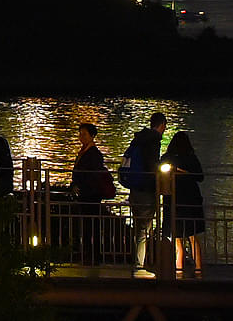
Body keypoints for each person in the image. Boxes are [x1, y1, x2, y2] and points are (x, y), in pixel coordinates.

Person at [118, 111, 168, 272]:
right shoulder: (154, 140)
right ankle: (139, 265)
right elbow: (151, 165)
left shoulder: (139, 138)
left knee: (139, 227)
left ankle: (139, 262)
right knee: (144, 229)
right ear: (162, 126)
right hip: (146, 189)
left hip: (134, 188)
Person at [69, 122, 116, 265]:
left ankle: (94, 255)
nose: (81, 137)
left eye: (84, 134)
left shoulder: (93, 154)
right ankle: (90, 254)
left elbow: (92, 176)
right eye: (80, 134)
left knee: (92, 225)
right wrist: (74, 184)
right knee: (88, 225)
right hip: (86, 194)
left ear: (92, 136)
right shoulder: (84, 152)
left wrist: (80, 186)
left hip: (91, 195)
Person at [163, 129, 205, 273]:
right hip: (191, 201)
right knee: (193, 236)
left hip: (173, 200)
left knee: (177, 237)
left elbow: (160, 175)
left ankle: (178, 268)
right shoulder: (191, 158)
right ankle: (198, 268)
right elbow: (200, 176)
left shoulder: (167, 158)